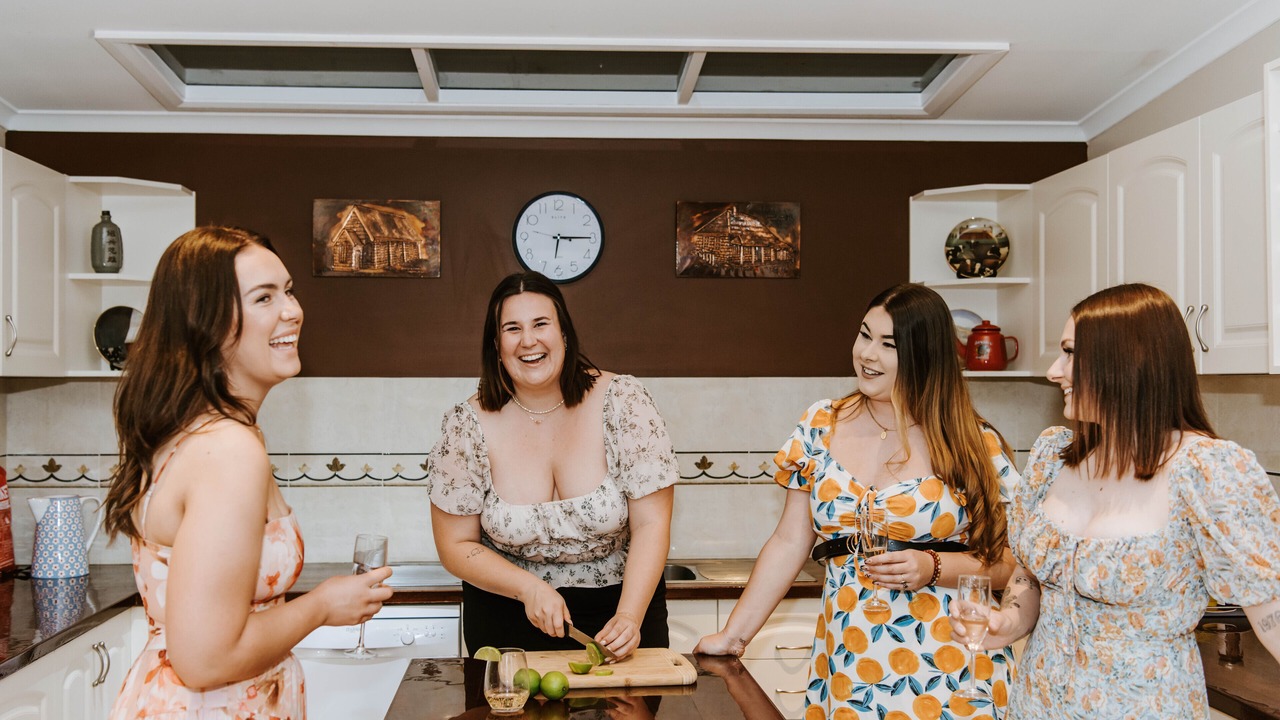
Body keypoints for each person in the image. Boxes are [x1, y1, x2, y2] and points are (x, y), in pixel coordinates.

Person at [951, 283, 1280, 719]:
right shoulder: (1053, 455)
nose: (1054, 370)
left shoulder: (1208, 471)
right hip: (1036, 705)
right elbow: (1032, 576)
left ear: (1127, 361)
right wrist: (1007, 622)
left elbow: (1271, 612)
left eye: (1069, 353)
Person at [104, 227, 392, 719]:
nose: (292, 310)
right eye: (264, 297)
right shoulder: (227, 449)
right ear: (207, 324)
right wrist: (322, 607)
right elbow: (205, 659)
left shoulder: (205, 432)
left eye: (288, 290)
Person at [696, 282, 1021, 719]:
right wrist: (734, 636)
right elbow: (790, 542)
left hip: (953, 667)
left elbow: (1013, 564)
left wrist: (934, 567)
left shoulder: (971, 443)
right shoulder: (820, 425)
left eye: (888, 344)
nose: (867, 354)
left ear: (925, 355)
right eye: (864, 334)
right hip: (851, 661)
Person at [428, 271, 677, 658]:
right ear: (496, 345)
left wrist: (629, 616)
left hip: (621, 615)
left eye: (541, 324)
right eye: (513, 328)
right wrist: (527, 587)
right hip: (505, 618)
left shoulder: (625, 401)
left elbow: (651, 522)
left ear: (564, 333)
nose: (529, 340)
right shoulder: (465, 424)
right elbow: (454, 544)